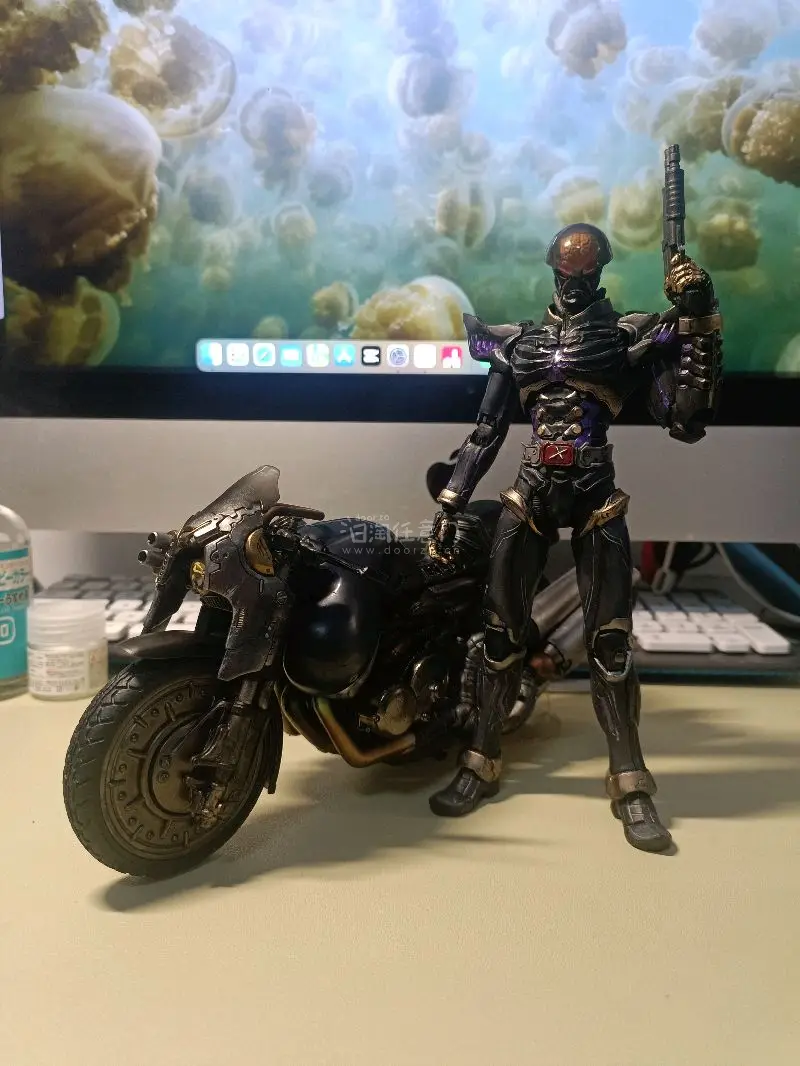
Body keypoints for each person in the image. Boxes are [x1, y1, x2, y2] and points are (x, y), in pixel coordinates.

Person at [426, 220, 722, 852]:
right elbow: (486, 433)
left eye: (585, 275)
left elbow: (685, 417)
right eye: (567, 273)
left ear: (599, 274)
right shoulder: (519, 342)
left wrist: (700, 317)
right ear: (553, 271)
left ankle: (630, 782)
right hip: (530, 489)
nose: (575, 283)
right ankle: (480, 760)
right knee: (500, 636)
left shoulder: (627, 336)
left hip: (594, 493)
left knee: (610, 646)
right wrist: (452, 498)